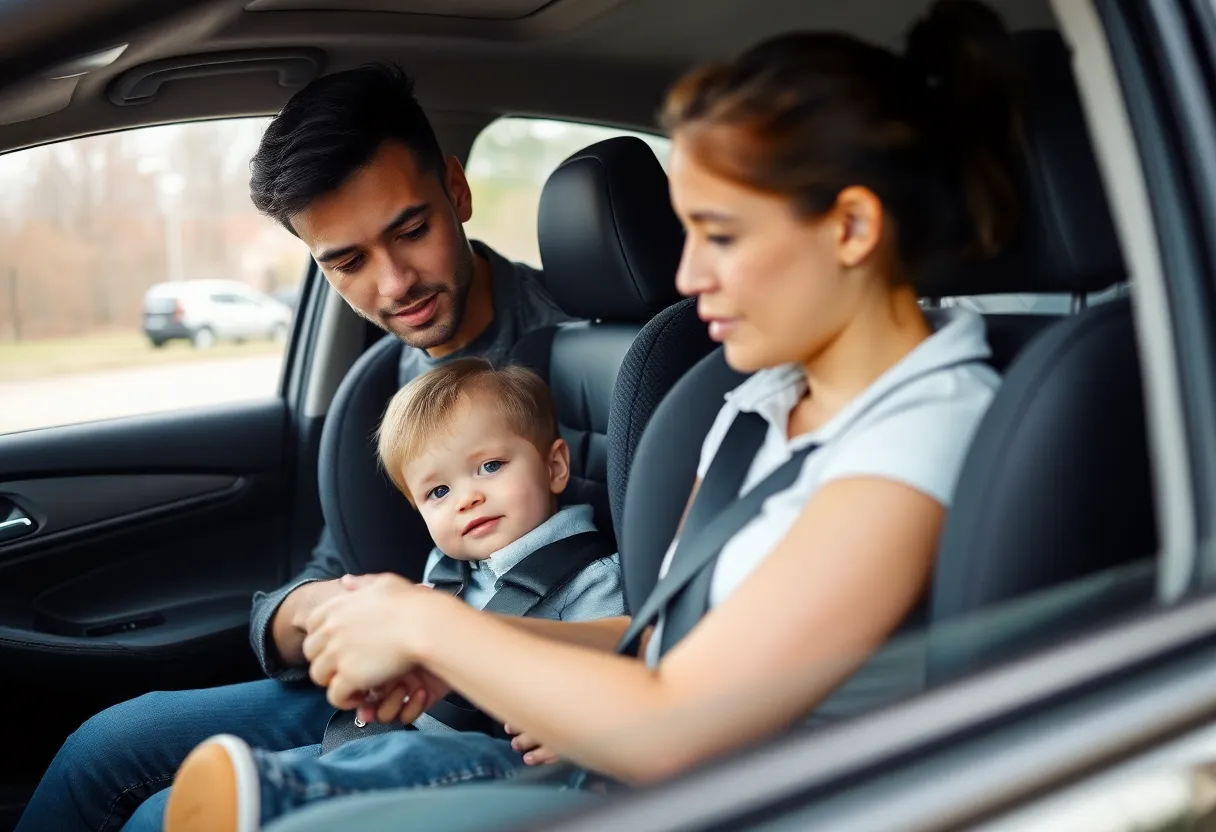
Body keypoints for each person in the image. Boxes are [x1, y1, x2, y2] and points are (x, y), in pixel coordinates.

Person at [246, 2, 1026, 828]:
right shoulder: (756, 403)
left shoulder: (920, 434)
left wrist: (430, 625)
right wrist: (470, 663)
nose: (686, 276)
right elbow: (660, 640)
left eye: (719, 236)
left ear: (852, 226)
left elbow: (677, 724)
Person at [13, 64, 574, 832]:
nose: (394, 283)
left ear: (458, 190)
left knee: (162, 818)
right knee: (106, 743)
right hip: (390, 689)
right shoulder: (385, 380)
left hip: (515, 722)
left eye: (411, 230)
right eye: (346, 262)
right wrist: (314, 613)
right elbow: (329, 565)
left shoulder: (584, 366)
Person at [163, 358, 624, 831]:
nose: (467, 498)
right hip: (394, 726)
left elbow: (618, 681)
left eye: (490, 466)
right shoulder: (447, 568)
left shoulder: (593, 579)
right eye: (439, 491)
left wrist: (577, 730)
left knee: (392, 762)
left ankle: (278, 794)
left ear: (555, 466)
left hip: (498, 761)